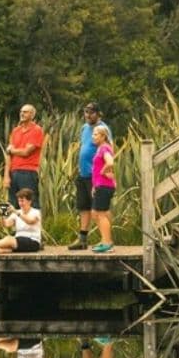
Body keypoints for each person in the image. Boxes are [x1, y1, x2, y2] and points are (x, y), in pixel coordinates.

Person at [68, 103, 111, 250]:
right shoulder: (85, 128)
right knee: (83, 207)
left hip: (96, 176)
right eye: (86, 112)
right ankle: (82, 239)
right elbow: (84, 146)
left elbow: (109, 149)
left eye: (91, 113)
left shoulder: (103, 129)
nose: (88, 115)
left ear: (98, 114)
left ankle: (106, 240)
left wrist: (103, 172)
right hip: (83, 173)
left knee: (99, 210)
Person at [3, 104, 44, 209]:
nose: (22, 113)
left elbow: (26, 152)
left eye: (25, 112)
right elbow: (8, 154)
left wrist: (12, 150)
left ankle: (33, 225)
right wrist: (6, 176)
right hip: (13, 172)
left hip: (28, 172)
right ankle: (10, 225)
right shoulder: (15, 131)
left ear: (32, 115)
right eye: (21, 111)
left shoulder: (37, 130)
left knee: (30, 203)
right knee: (11, 203)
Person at [0, 188, 42, 254]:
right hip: (18, 242)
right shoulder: (17, 213)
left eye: (22, 201)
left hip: (33, 242)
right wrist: (1, 215)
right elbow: (5, 224)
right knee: (4, 249)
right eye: (19, 201)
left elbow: (30, 221)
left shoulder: (36, 212)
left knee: (9, 239)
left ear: (29, 201)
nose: (20, 203)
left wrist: (15, 211)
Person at [90, 124, 116, 253]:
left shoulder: (104, 148)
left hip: (105, 185)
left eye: (95, 134)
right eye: (93, 134)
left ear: (103, 136)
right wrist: (94, 186)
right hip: (100, 185)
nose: (93, 137)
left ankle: (107, 244)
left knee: (100, 214)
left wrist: (103, 171)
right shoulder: (100, 148)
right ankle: (105, 239)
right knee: (96, 213)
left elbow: (110, 162)